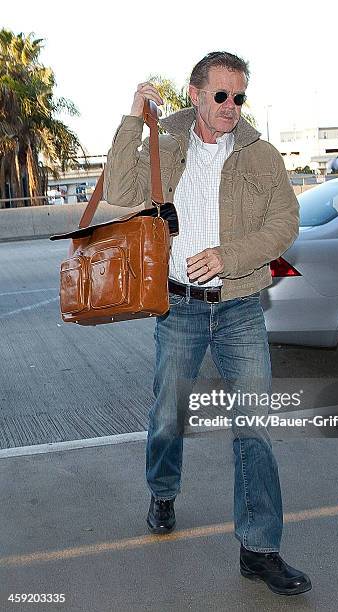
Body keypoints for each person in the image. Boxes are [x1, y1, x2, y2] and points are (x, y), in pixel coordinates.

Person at [104, 51, 312, 596]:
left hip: (240, 305)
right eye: (221, 95)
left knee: (255, 428)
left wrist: (231, 254)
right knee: (168, 413)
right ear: (195, 94)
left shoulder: (261, 156)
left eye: (239, 97)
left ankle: (260, 549)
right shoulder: (165, 145)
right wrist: (133, 118)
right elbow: (120, 194)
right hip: (179, 306)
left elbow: (284, 222)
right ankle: (163, 489)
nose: (231, 107)